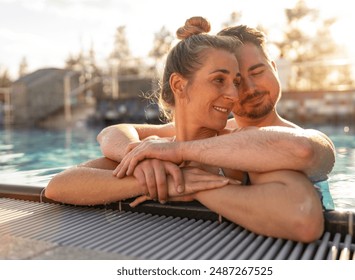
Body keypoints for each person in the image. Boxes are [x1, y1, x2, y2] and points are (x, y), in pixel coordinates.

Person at [97, 20, 333, 243]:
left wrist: (180, 156)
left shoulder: (292, 136)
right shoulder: (213, 133)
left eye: (257, 72)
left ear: (273, 67)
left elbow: (301, 152)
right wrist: (135, 158)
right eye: (234, 81)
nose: (248, 88)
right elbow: (114, 132)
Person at [45, 17, 244, 207]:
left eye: (236, 82)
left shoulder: (241, 145)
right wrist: (155, 181)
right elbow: (56, 187)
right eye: (219, 80)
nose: (234, 95)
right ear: (179, 85)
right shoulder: (154, 153)